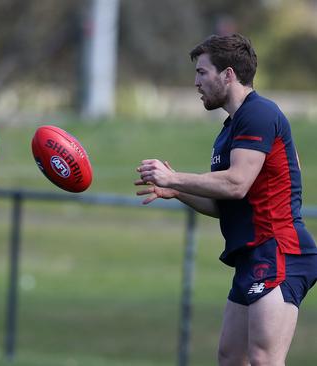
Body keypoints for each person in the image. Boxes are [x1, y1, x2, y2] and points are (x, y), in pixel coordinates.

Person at [135, 33, 317, 365]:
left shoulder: (259, 113)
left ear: (228, 74)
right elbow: (226, 204)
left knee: (264, 359)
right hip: (252, 255)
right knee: (231, 357)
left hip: (280, 250)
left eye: (202, 72)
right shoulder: (230, 129)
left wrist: (172, 176)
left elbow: (236, 184)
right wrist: (178, 192)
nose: (196, 82)